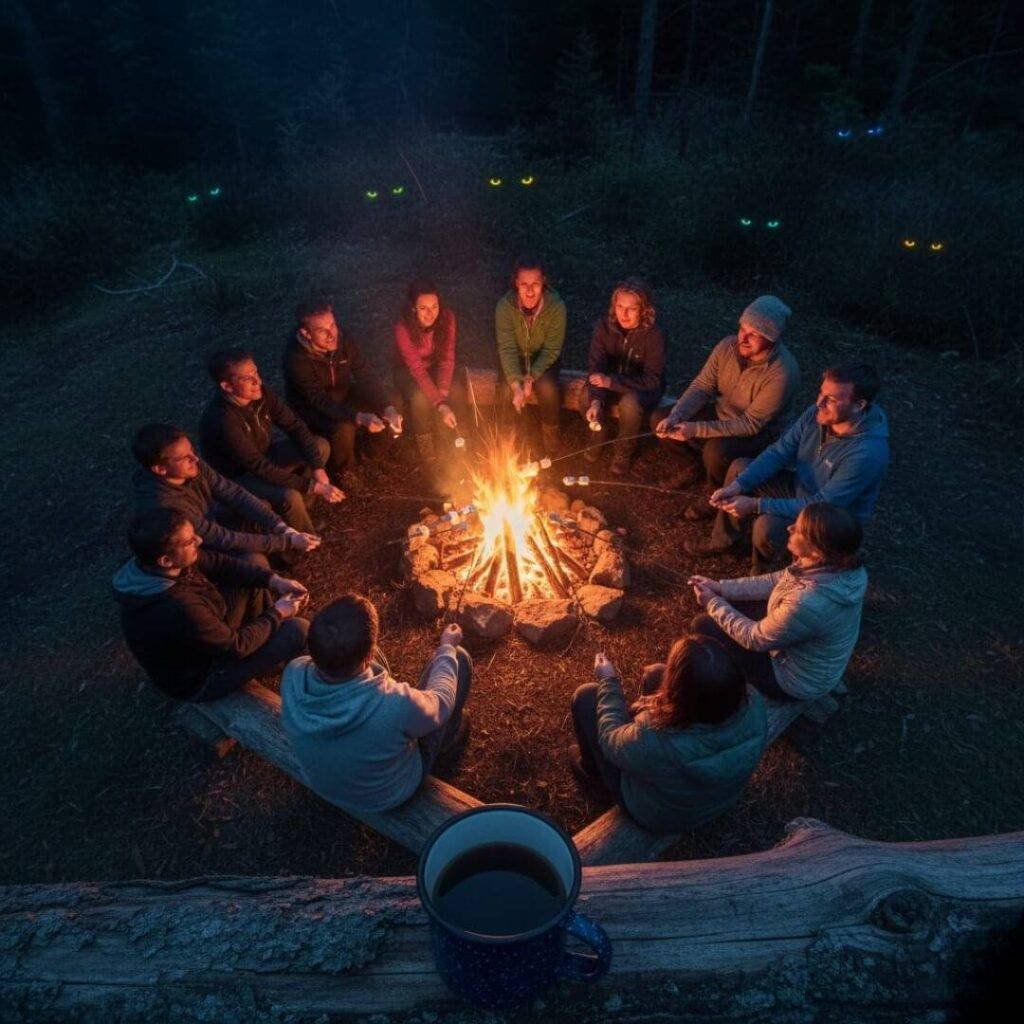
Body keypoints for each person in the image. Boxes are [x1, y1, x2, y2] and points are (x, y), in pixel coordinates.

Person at [281, 595, 473, 814]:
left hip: (323, 782)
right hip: (385, 795)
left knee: (373, 664)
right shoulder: (394, 704)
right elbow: (442, 702)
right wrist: (447, 648)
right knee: (460, 658)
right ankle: (448, 743)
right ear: (368, 654)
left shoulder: (294, 673)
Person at [690, 363, 889, 568]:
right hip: (800, 489)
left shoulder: (866, 454)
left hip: (829, 521)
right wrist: (738, 486)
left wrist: (755, 505)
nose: (819, 402)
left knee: (765, 526)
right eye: (821, 393)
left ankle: (764, 572)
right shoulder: (816, 415)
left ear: (859, 405)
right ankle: (725, 541)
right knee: (740, 469)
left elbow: (821, 504)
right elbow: (779, 452)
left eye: (831, 399)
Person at [113, 508, 309, 702]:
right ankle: (302, 677)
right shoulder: (175, 606)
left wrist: (274, 580)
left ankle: (264, 648)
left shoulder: (155, 565)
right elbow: (235, 646)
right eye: (190, 541)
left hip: (211, 641)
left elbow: (219, 564)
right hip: (202, 677)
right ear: (165, 560)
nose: (199, 540)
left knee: (253, 564)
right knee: (298, 629)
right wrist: (278, 613)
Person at [569, 642, 767, 833]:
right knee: (655, 673)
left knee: (586, 696)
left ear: (680, 699)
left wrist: (608, 681)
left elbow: (610, 739)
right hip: (721, 796)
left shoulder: (655, 737)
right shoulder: (755, 703)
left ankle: (592, 774)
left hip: (664, 815)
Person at [688, 502, 867, 702]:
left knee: (703, 625)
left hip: (793, 681)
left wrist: (712, 602)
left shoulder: (809, 602)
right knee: (727, 609)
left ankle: (725, 688)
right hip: (808, 658)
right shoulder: (838, 565)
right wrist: (721, 588)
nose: (789, 528)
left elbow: (754, 638)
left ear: (817, 550)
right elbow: (774, 581)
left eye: (799, 530)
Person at [653, 295, 800, 510]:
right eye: (743, 329)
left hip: (760, 434)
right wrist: (677, 415)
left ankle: (716, 492)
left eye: (754, 334)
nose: (743, 338)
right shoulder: (727, 347)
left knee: (715, 452)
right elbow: (703, 385)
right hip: (723, 413)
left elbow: (750, 424)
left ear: (772, 339)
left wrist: (695, 429)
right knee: (660, 418)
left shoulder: (782, 373)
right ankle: (694, 467)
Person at [200, 348, 343, 536]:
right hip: (240, 477)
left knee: (319, 446)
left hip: (266, 455)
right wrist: (312, 485)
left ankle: (303, 508)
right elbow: (258, 467)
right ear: (227, 386)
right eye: (246, 378)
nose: (257, 381)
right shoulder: (223, 420)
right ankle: (306, 538)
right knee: (289, 495)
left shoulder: (261, 394)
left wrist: (318, 468)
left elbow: (295, 426)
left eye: (256, 373)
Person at [131, 424, 320, 566]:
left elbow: (233, 494)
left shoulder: (191, 467)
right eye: (184, 458)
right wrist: (286, 541)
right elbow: (222, 538)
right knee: (253, 561)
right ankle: (265, 606)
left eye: (192, 451)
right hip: (194, 551)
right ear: (160, 469)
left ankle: (288, 556)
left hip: (211, 522)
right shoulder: (166, 507)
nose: (195, 458)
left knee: (261, 506)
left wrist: (281, 527)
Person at [283, 295, 403, 479]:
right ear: (306, 334)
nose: (332, 335)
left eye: (332, 325)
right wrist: (359, 417)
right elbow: (318, 400)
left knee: (391, 400)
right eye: (322, 331)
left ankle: (369, 457)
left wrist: (388, 407)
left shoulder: (344, 340)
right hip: (312, 411)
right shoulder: (296, 357)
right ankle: (346, 474)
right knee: (344, 427)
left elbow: (365, 375)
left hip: (343, 393)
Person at [583, 279, 666, 475]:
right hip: (611, 381)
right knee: (586, 394)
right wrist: (596, 401)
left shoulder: (654, 334)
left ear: (643, 310)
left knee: (629, 403)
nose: (624, 313)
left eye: (632, 308)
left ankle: (623, 451)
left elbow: (652, 379)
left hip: (643, 388)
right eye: (620, 306)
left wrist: (611, 382)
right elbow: (596, 367)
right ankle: (598, 433)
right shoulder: (604, 327)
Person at [392, 280, 468, 472]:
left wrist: (441, 392)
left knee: (456, 389)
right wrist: (440, 404)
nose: (430, 313)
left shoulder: (447, 318)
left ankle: (457, 440)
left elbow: (447, 358)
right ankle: (428, 452)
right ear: (413, 309)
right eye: (423, 308)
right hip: (407, 371)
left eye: (434, 306)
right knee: (419, 398)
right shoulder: (403, 328)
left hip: (435, 365)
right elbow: (416, 369)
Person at [495, 255, 566, 451]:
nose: (529, 290)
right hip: (516, 356)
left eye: (535, 283)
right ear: (516, 283)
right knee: (504, 390)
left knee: (549, 388)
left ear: (543, 282)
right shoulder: (505, 307)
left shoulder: (556, 307)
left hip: (543, 357)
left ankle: (550, 434)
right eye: (524, 283)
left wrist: (531, 377)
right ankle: (506, 439)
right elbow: (507, 348)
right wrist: (516, 385)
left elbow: (552, 348)